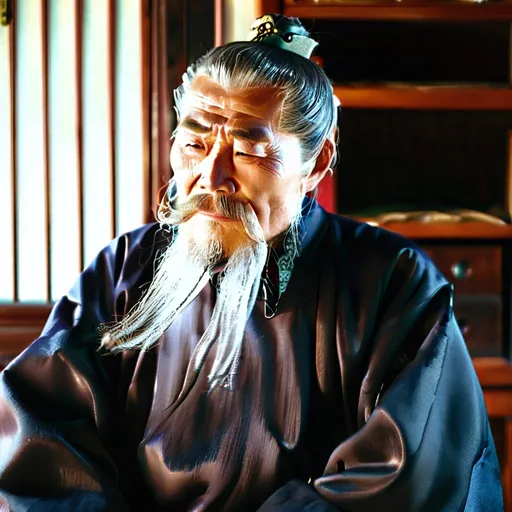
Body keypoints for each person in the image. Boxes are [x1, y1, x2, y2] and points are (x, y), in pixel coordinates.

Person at [0, 13, 503, 512]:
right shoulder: (126, 269)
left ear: (317, 163)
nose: (210, 177)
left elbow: (407, 472)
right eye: (194, 145)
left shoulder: (392, 282)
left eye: (247, 150)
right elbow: (43, 437)